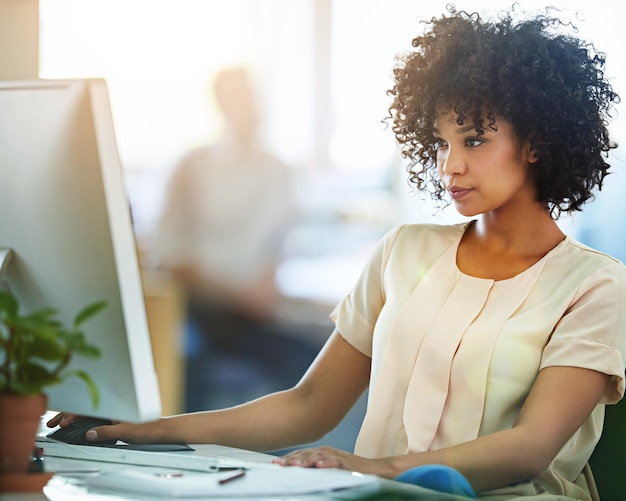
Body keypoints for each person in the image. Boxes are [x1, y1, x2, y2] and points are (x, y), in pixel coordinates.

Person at [49, 6, 626, 499]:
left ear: (538, 142)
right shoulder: (404, 251)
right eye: (442, 142)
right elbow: (307, 406)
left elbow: (530, 449)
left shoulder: (594, 286)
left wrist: (372, 469)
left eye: (474, 140)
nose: (450, 164)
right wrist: (144, 430)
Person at [148, 67, 315, 411]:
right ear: (221, 102)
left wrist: (264, 288)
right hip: (200, 309)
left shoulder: (276, 171)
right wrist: (238, 295)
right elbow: (167, 257)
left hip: (253, 315)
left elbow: (279, 245)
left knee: (318, 362)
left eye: (256, 95)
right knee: (186, 357)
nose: (253, 105)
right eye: (243, 95)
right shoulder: (192, 167)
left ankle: (279, 454)